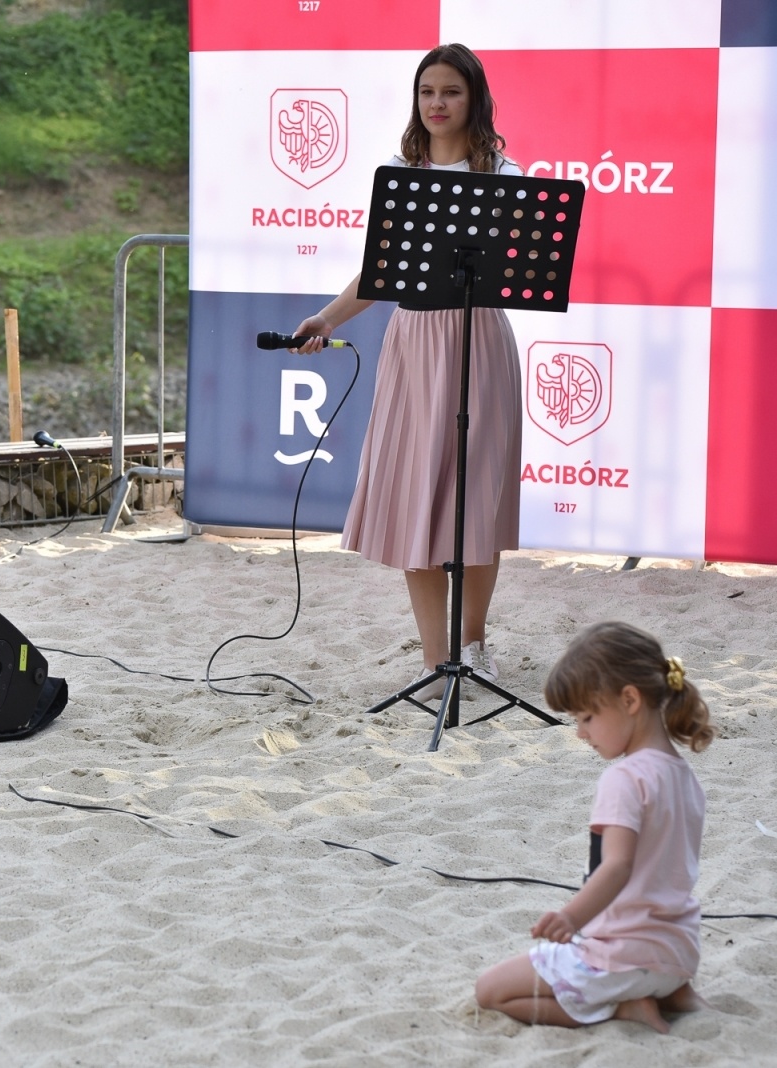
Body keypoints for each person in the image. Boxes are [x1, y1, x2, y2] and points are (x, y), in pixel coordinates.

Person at [291, 43, 523, 687]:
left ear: (473, 97)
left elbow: (516, 270)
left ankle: (473, 646)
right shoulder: (400, 171)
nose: (437, 104)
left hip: (480, 343)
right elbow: (379, 271)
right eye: (427, 92)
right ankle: (434, 658)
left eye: (450, 91)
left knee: (476, 502)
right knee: (418, 499)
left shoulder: (503, 174)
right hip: (415, 341)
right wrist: (328, 319)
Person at [474, 622, 715, 1033]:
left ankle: (625, 1010)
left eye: (586, 717)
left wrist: (571, 917)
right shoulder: (682, 774)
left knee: (490, 991)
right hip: (677, 956)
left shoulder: (624, 779)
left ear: (629, 699)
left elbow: (617, 866)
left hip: (624, 957)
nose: (581, 733)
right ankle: (674, 994)